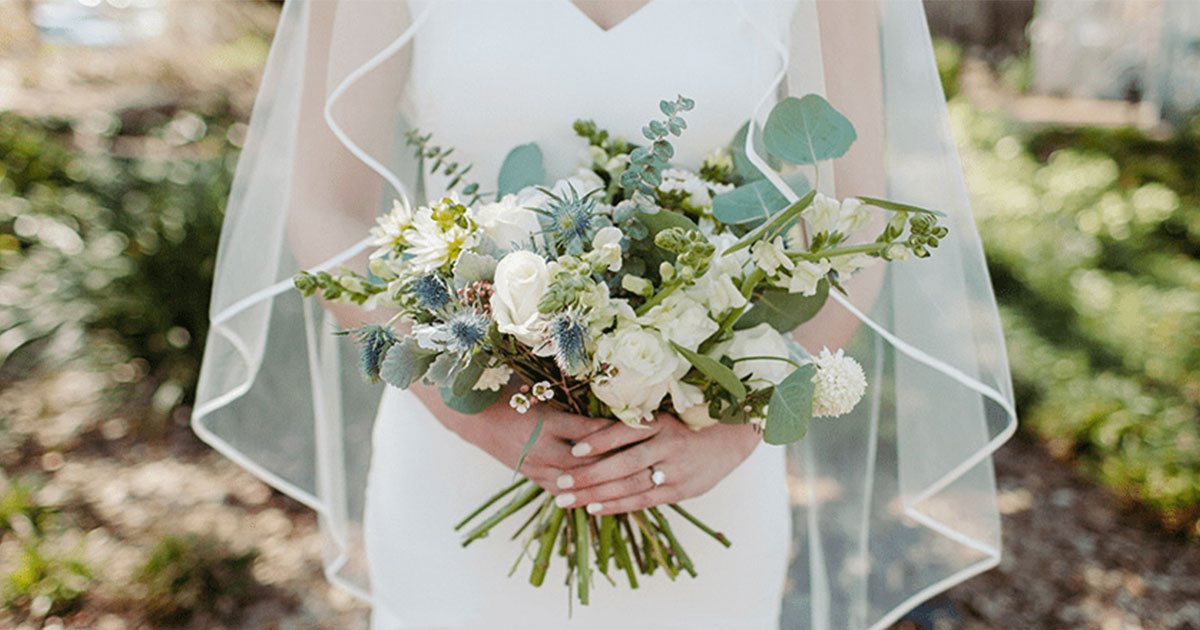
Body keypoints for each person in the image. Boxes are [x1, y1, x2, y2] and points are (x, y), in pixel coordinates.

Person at [192, 1, 1018, 628]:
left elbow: (857, 222)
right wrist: (462, 401)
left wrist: (738, 425)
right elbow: (325, 209)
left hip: (701, 465)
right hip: (456, 457)